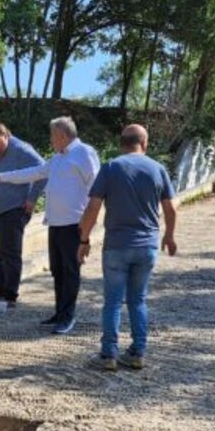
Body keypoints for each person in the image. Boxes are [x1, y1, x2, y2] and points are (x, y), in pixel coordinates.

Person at [77, 124, 177, 370]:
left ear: (121, 143)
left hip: (117, 246)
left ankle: (108, 355)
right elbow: (171, 208)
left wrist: (84, 239)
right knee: (138, 300)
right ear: (145, 143)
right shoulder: (158, 169)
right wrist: (169, 236)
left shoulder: (111, 168)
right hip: (147, 247)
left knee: (112, 302)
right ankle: (137, 353)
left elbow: (92, 208)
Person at [0, 116, 100, 333]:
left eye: (52, 136)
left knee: (70, 271)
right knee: (58, 271)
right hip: (56, 224)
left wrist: (88, 223)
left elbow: (95, 186)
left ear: (62, 135)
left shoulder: (84, 152)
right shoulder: (58, 158)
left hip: (73, 223)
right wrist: (2, 177)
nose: (50, 140)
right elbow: (33, 173)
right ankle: (59, 313)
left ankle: (68, 317)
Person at [0, 122, 46, 309]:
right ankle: (2, 290)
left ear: (6, 135)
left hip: (13, 210)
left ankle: (9, 295)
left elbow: (44, 171)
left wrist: (32, 199)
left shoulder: (21, 150)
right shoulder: (0, 153)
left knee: (9, 254)